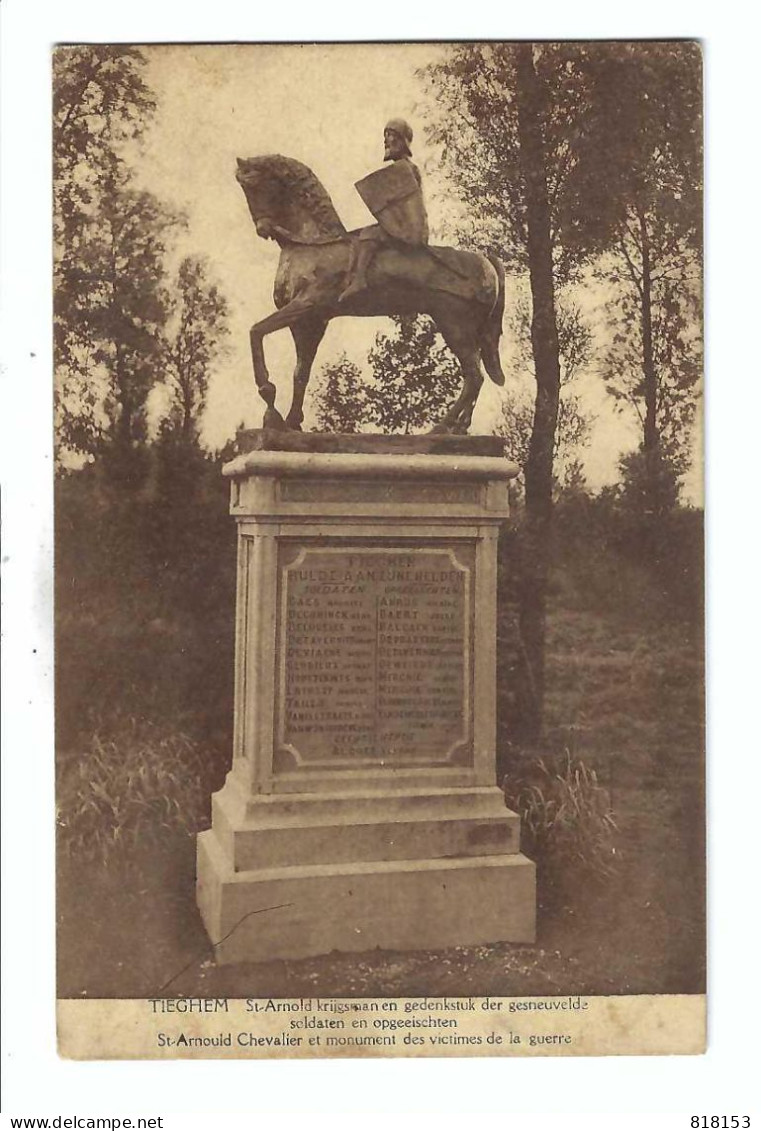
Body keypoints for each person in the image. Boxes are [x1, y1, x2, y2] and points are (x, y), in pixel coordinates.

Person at [338, 118, 429, 303]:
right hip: (402, 227)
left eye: (392, 135)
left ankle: (360, 280)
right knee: (357, 235)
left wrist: (395, 227)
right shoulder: (400, 170)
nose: (386, 140)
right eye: (385, 135)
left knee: (368, 234)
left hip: (410, 232)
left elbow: (407, 207)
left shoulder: (405, 169)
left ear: (402, 140)